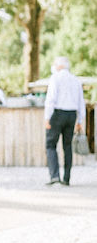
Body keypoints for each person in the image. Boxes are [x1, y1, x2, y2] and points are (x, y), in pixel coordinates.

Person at [44, 56, 85, 186]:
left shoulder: (55, 78)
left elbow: (50, 99)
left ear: (58, 66)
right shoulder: (76, 80)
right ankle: (66, 178)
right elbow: (81, 102)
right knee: (67, 146)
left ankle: (54, 175)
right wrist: (80, 120)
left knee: (51, 145)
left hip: (57, 113)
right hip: (71, 115)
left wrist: (47, 118)